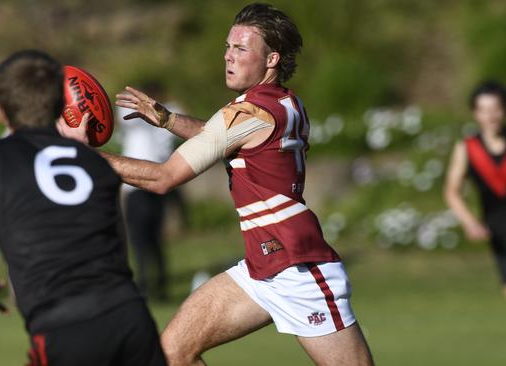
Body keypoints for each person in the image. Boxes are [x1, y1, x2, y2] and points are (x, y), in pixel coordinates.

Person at [64, 3, 374, 365]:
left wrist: (82, 156)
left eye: (241, 49)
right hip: (261, 269)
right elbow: (222, 135)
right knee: (173, 353)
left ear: (271, 58)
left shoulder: (247, 113)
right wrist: (167, 119)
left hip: (298, 268)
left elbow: (165, 178)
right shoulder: (284, 102)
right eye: (227, 47)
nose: (228, 56)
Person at [0, 49, 166, 366]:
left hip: (64, 328)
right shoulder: (97, 164)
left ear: (1, 111)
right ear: (59, 106)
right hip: (130, 318)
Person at [444, 81, 506, 314]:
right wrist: (470, 222)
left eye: (496, 108)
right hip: (501, 238)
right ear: (475, 113)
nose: (491, 116)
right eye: (484, 110)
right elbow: (452, 191)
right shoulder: (467, 148)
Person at [118, 81, 182, 300]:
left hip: (141, 185)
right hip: (154, 182)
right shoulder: (165, 113)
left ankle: (149, 285)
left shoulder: (164, 113)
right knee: (152, 239)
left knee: (142, 239)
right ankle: (158, 285)